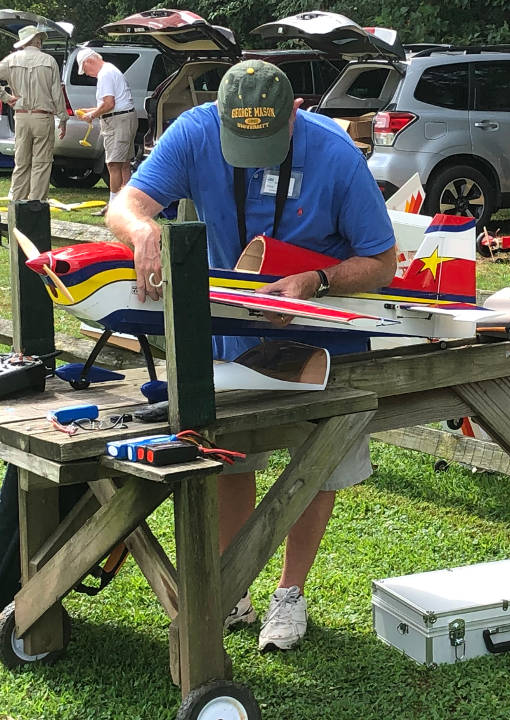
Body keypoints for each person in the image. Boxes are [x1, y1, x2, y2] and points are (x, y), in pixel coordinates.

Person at [106, 60, 396, 652]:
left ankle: (290, 594)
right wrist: (143, 233)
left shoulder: (337, 154)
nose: (255, 155)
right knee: (227, 456)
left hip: (324, 336)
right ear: (221, 117)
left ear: (295, 115)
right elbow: (125, 203)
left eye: (267, 141)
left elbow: (382, 261)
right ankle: (232, 588)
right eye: (242, 142)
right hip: (229, 330)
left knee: (319, 462)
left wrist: (316, 280)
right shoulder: (192, 131)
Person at [0, 26, 68, 201]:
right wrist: (63, 117)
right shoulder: (49, 60)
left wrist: (6, 97)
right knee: (42, 163)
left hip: (21, 116)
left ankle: (17, 203)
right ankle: (36, 203)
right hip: (42, 116)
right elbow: (56, 93)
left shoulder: (11, 60)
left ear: (23, 42)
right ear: (38, 41)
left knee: (21, 162)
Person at [76, 48, 137, 215]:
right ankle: (127, 204)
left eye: (85, 69)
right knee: (124, 164)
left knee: (113, 164)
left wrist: (92, 115)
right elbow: (110, 104)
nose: (87, 74)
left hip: (118, 121)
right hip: (124, 117)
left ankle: (113, 207)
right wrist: (90, 111)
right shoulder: (110, 70)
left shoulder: (105, 74)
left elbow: (109, 104)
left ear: (89, 61)